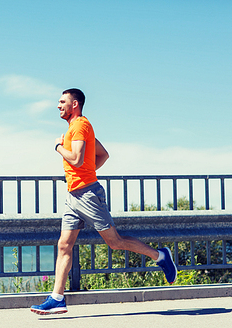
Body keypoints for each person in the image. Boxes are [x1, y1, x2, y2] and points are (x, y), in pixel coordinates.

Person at [30, 88, 178, 315]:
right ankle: (57, 298)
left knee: (115, 242)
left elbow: (78, 160)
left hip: (88, 195)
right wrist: (85, 171)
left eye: (62, 102)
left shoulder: (80, 125)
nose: (58, 106)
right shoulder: (75, 128)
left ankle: (160, 256)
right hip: (73, 196)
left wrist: (58, 147)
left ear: (75, 104)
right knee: (63, 245)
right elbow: (103, 155)